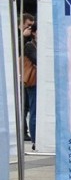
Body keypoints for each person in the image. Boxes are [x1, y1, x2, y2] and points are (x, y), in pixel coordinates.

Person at [22, 21, 37, 150]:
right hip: (34, 82)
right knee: (34, 110)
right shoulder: (29, 46)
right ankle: (35, 139)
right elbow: (37, 59)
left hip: (39, 82)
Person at [19, 13, 34, 142]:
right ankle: (22, 131)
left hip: (24, 76)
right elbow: (17, 50)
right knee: (23, 105)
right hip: (21, 75)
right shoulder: (20, 38)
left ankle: (24, 131)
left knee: (26, 105)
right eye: (28, 25)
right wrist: (23, 38)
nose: (30, 28)